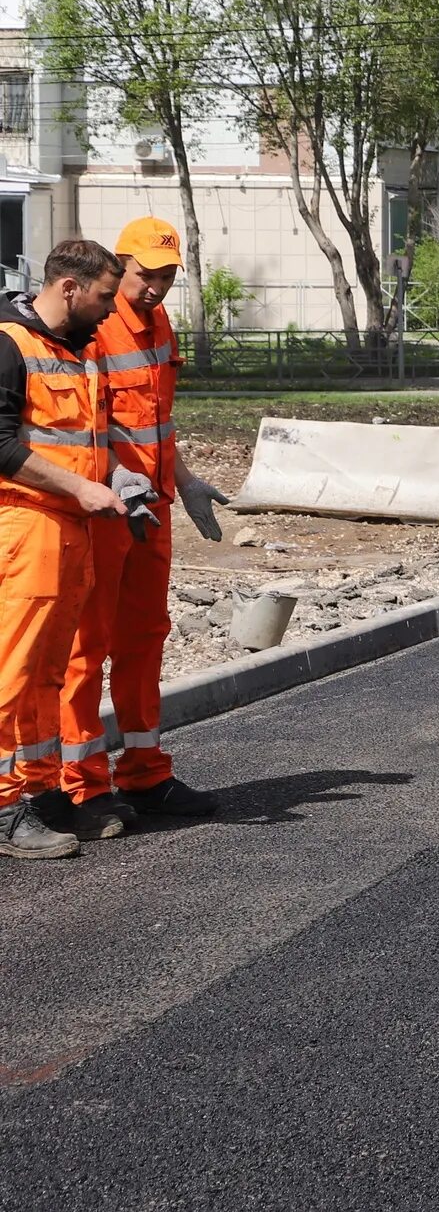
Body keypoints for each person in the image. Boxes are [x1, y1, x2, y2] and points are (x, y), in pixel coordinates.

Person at [58, 218, 228, 835]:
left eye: (167, 276)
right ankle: (82, 786)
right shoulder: (92, 328)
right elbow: (84, 427)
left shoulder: (158, 325)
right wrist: (112, 481)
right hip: (105, 510)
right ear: (119, 266)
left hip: (150, 511)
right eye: (145, 275)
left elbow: (157, 421)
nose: (155, 287)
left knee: (145, 637)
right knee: (88, 647)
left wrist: (183, 480)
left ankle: (146, 773)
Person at [0, 240, 127, 858]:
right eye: (105, 294)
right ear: (70, 287)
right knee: (11, 672)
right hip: (26, 528)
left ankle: (41, 791)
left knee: (47, 674)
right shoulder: (11, 344)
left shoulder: (75, 352)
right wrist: (82, 486)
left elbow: (80, 436)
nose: (112, 307)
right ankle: (3, 807)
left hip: (67, 527)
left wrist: (112, 478)